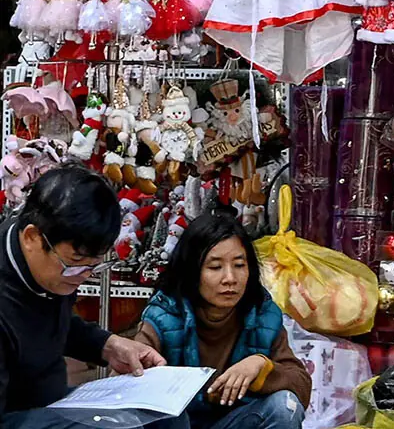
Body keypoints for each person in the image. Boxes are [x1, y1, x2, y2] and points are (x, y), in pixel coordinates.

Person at [1, 166, 167, 426]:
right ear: (32, 237)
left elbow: (49, 325)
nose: (82, 275)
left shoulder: (49, 266)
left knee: (162, 415)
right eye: (75, 262)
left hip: (50, 398)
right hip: (14, 413)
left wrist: (108, 345)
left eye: (95, 265)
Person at [135, 212, 309, 429]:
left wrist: (261, 366)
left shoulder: (262, 313)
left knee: (285, 406)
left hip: (235, 422)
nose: (230, 278)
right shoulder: (165, 314)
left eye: (239, 265)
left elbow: (300, 384)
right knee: (164, 408)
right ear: (192, 270)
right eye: (215, 267)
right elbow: (130, 384)